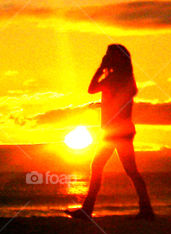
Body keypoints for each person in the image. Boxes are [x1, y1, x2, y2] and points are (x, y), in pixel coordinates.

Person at [66, 44, 154, 220]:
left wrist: (100, 69)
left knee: (121, 169)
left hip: (116, 131)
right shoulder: (125, 77)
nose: (107, 57)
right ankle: (145, 209)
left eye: (110, 55)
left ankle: (89, 210)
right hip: (117, 130)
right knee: (126, 170)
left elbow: (91, 89)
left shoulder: (116, 77)